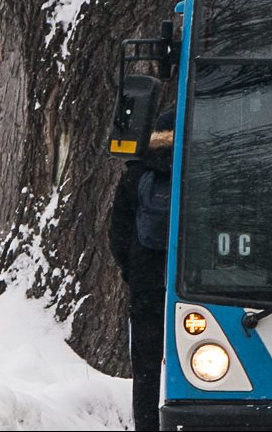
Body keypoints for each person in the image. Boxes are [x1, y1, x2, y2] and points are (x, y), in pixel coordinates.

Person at [110, 109, 175, 432]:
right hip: (192, 286)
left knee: (146, 367)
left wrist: (132, 271)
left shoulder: (136, 173)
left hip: (146, 284)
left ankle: (147, 425)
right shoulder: (197, 169)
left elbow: (118, 234)